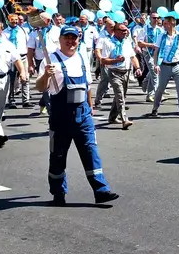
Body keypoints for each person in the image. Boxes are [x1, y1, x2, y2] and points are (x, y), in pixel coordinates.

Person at [35, 25, 119, 205]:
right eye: (67, 37)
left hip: (83, 116)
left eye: (74, 38)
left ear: (78, 40)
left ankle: (101, 191)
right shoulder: (51, 60)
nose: (71, 41)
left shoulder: (81, 57)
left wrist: (90, 107)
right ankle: (58, 193)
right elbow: (40, 87)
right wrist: (46, 75)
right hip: (60, 117)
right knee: (57, 156)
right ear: (61, 39)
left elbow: (88, 85)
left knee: (91, 152)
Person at [98, 22, 141, 129]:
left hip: (126, 72)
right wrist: (115, 60)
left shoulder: (127, 42)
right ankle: (124, 119)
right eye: (122, 30)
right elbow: (103, 61)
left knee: (120, 95)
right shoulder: (108, 43)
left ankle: (112, 117)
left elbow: (132, 57)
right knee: (120, 96)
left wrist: (138, 68)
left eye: (126, 30)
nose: (125, 32)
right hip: (114, 72)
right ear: (115, 31)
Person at [148, 16, 179, 119]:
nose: (164, 25)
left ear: (171, 24)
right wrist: (156, 65)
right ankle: (155, 108)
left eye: (166, 23)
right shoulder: (161, 36)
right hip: (165, 66)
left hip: (177, 65)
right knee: (160, 89)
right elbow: (156, 52)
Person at [4, 13, 32, 108]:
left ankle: (26, 100)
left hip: (23, 56)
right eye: (13, 19)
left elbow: (28, 43)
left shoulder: (23, 30)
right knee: (11, 80)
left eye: (16, 19)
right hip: (11, 58)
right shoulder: (5, 32)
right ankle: (11, 100)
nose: (15, 21)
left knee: (25, 78)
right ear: (8, 20)